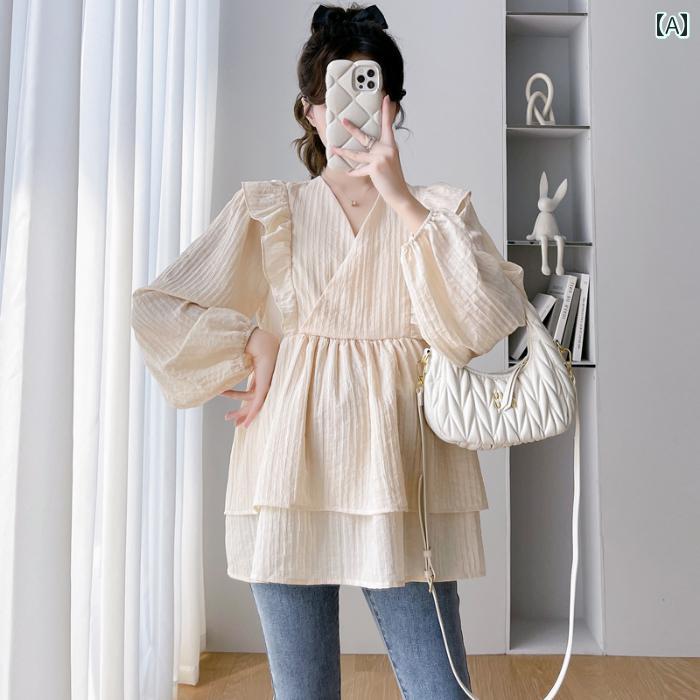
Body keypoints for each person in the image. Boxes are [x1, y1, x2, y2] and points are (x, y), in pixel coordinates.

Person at [130, 3, 527, 698]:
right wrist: (251, 338)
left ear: (392, 106)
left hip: (403, 476)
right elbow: (156, 306)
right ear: (311, 111)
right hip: (286, 474)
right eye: (332, 94)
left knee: (442, 690)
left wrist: (402, 200)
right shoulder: (270, 209)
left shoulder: (438, 212)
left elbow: (486, 319)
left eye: (370, 91)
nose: (350, 111)